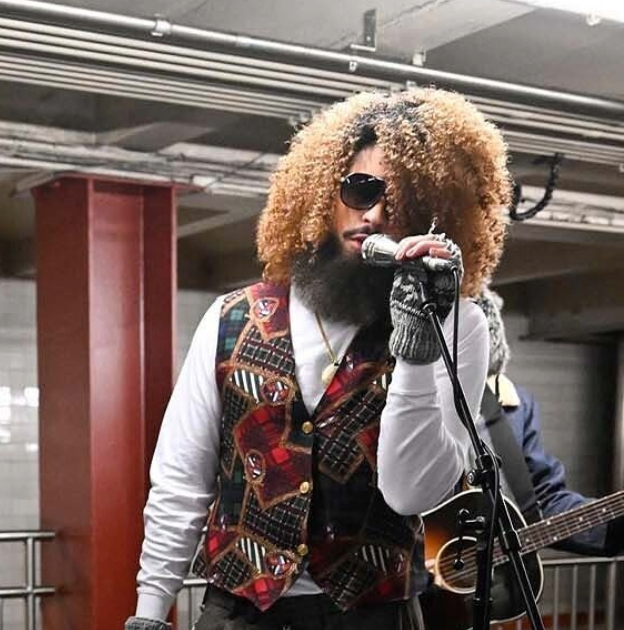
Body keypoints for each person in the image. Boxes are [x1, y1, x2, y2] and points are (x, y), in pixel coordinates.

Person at [127, 88, 512, 630]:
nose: (375, 214)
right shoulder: (232, 316)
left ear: (433, 213)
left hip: (372, 616)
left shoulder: (456, 322)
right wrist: (150, 610)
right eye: (360, 189)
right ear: (321, 194)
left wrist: (420, 350)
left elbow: (411, 491)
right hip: (239, 613)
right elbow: (181, 479)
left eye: (402, 201)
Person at [473, 288, 623, 555]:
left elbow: (540, 502)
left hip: (504, 588)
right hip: (409, 589)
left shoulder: (511, 404)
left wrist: (613, 526)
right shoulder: (390, 404)